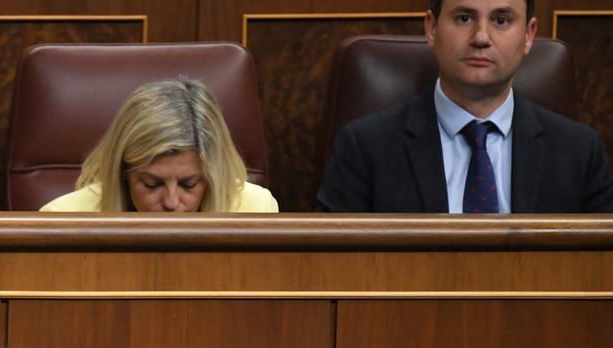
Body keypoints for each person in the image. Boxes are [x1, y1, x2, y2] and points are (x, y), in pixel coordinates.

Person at [317, 0, 613, 213]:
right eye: (464, 18)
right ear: (431, 28)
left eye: (501, 20)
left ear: (529, 35)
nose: (481, 38)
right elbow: (332, 275)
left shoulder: (579, 152)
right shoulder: (365, 148)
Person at [40, 77, 277, 213]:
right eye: (151, 184)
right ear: (123, 174)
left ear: (212, 175)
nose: (171, 202)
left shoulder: (254, 209)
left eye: (188, 184)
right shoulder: (64, 218)